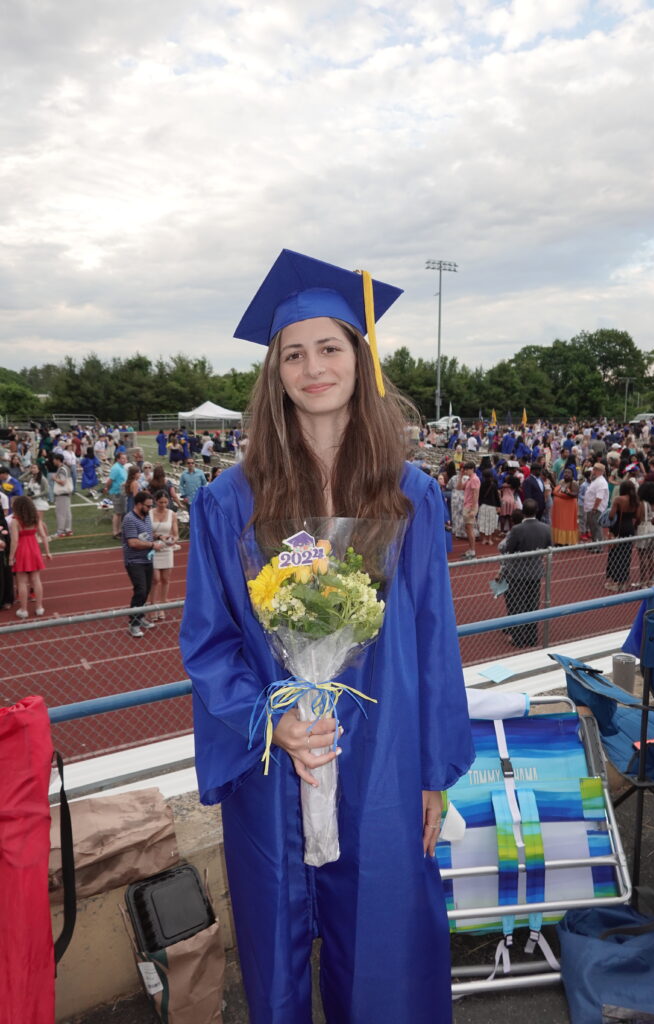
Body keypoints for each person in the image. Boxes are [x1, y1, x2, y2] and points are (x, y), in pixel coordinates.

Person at [179, 249, 474, 1024]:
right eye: (293, 353)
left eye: (330, 347)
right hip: (275, 756)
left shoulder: (412, 496)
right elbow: (208, 642)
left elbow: (432, 636)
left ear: (360, 359)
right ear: (273, 373)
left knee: (382, 949)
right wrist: (267, 717)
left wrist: (433, 772)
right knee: (275, 954)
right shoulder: (227, 502)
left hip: (382, 756)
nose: (313, 367)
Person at [499, 498, 552, 648]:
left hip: (516, 573)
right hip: (535, 572)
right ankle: (531, 637)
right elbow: (549, 547)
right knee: (532, 605)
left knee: (517, 605)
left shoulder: (517, 530)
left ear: (523, 513)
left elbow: (509, 549)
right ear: (536, 511)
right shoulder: (545, 528)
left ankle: (518, 638)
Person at [121, 490, 165, 638]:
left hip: (147, 559)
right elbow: (133, 542)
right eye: (147, 506)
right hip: (134, 561)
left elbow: (147, 534)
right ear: (139, 504)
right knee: (140, 590)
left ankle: (140, 617)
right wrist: (153, 545)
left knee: (145, 591)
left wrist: (159, 536)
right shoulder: (129, 519)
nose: (149, 508)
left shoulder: (146, 517)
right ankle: (133, 623)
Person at [9, 495, 51, 617]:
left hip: (22, 551)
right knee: (36, 579)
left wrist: (11, 557)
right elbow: (43, 535)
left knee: (21, 582)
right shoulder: (36, 517)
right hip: (34, 549)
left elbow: (15, 541)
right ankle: (39, 607)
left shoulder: (15, 521)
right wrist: (48, 552)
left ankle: (23, 610)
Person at [604, 482, 641, 591]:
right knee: (626, 555)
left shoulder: (618, 499)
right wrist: (634, 526)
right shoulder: (636, 500)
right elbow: (638, 517)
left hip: (618, 529)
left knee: (615, 554)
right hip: (629, 528)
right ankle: (623, 581)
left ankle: (615, 582)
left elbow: (611, 516)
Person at [148, 490, 178, 619]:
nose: (163, 505)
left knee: (166, 579)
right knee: (155, 580)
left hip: (167, 550)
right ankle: (153, 606)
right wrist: (159, 536)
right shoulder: (149, 514)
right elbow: (146, 532)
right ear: (156, 501)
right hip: (153, 549)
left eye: (166, 502)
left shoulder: (172, 514)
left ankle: (163, 605)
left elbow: (175, 534)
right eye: (161, 502)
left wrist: (172, 540)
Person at [635, 481, 654, 586]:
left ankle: (643, 581)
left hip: (644, 528)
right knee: (651, 556)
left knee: (642, 558)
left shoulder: (643, 503)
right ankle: (651, 580)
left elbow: (639, 517)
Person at [102, 450, 128, 538]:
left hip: (121, 492)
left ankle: (119, 530)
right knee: (117, 513)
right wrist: (106, 488)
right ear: (118, 459)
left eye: (125, 458)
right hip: (117, 492)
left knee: (120, 512)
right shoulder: (116, 468)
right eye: (123, 458)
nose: (125, 460)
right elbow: (110, 480)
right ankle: (115, 532)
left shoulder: (121, 467)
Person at [457, 460, 480, 557]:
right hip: (467, 505)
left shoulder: (474, 479)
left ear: (472, 469)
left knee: (470, 529)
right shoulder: (470, 479)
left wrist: (473, 509)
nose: (465, 471)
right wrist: (460, 476)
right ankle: (471, 549)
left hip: (470, 506)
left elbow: (476, 494)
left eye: (467, 469)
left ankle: (472, 550)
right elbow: (459, 487)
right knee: (467, 528)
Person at [551, 467, 579, 546]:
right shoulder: (561, 481)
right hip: (559, 509)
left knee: (566, 524)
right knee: (559, 523)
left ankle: (566, 541)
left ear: (572, 475)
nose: (566, 474)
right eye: (565, 472)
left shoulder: (574, 483)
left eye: (568, 473)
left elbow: (575, 494)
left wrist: (568, 493)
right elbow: (557, 490)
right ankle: (559, 540)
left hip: (568, 508)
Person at [583, 463, 609, 546]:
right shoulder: (596, 480)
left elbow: (599, 497)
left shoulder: (601, 482)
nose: (592, 472)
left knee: (596, 527)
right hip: (591, 508)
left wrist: (594, 508)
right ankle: (595, 544)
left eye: (594, 470)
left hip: (596, 509)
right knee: (593, 527)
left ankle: (598, 546)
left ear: (600, 471)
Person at [51, 452, 73, 538]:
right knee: (67, 512)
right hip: (66, 493)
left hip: (62, 493)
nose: (53, 461)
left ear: (57, 460)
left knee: (60, 513)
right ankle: (68, 529)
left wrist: (54, 478)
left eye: (54, 459)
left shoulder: (62, 469)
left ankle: (60, 531)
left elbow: (62, 482)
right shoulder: (65, 467)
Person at [477, 468, 500, 544]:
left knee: (483, 522)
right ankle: (489, 539)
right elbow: (496, 496)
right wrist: (498, 506)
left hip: (483, 505)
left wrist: (479, 504)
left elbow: (480, 496)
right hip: (492, 505)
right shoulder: (493, 485)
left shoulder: (482, 484)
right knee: (491, 522)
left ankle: (484, 539)